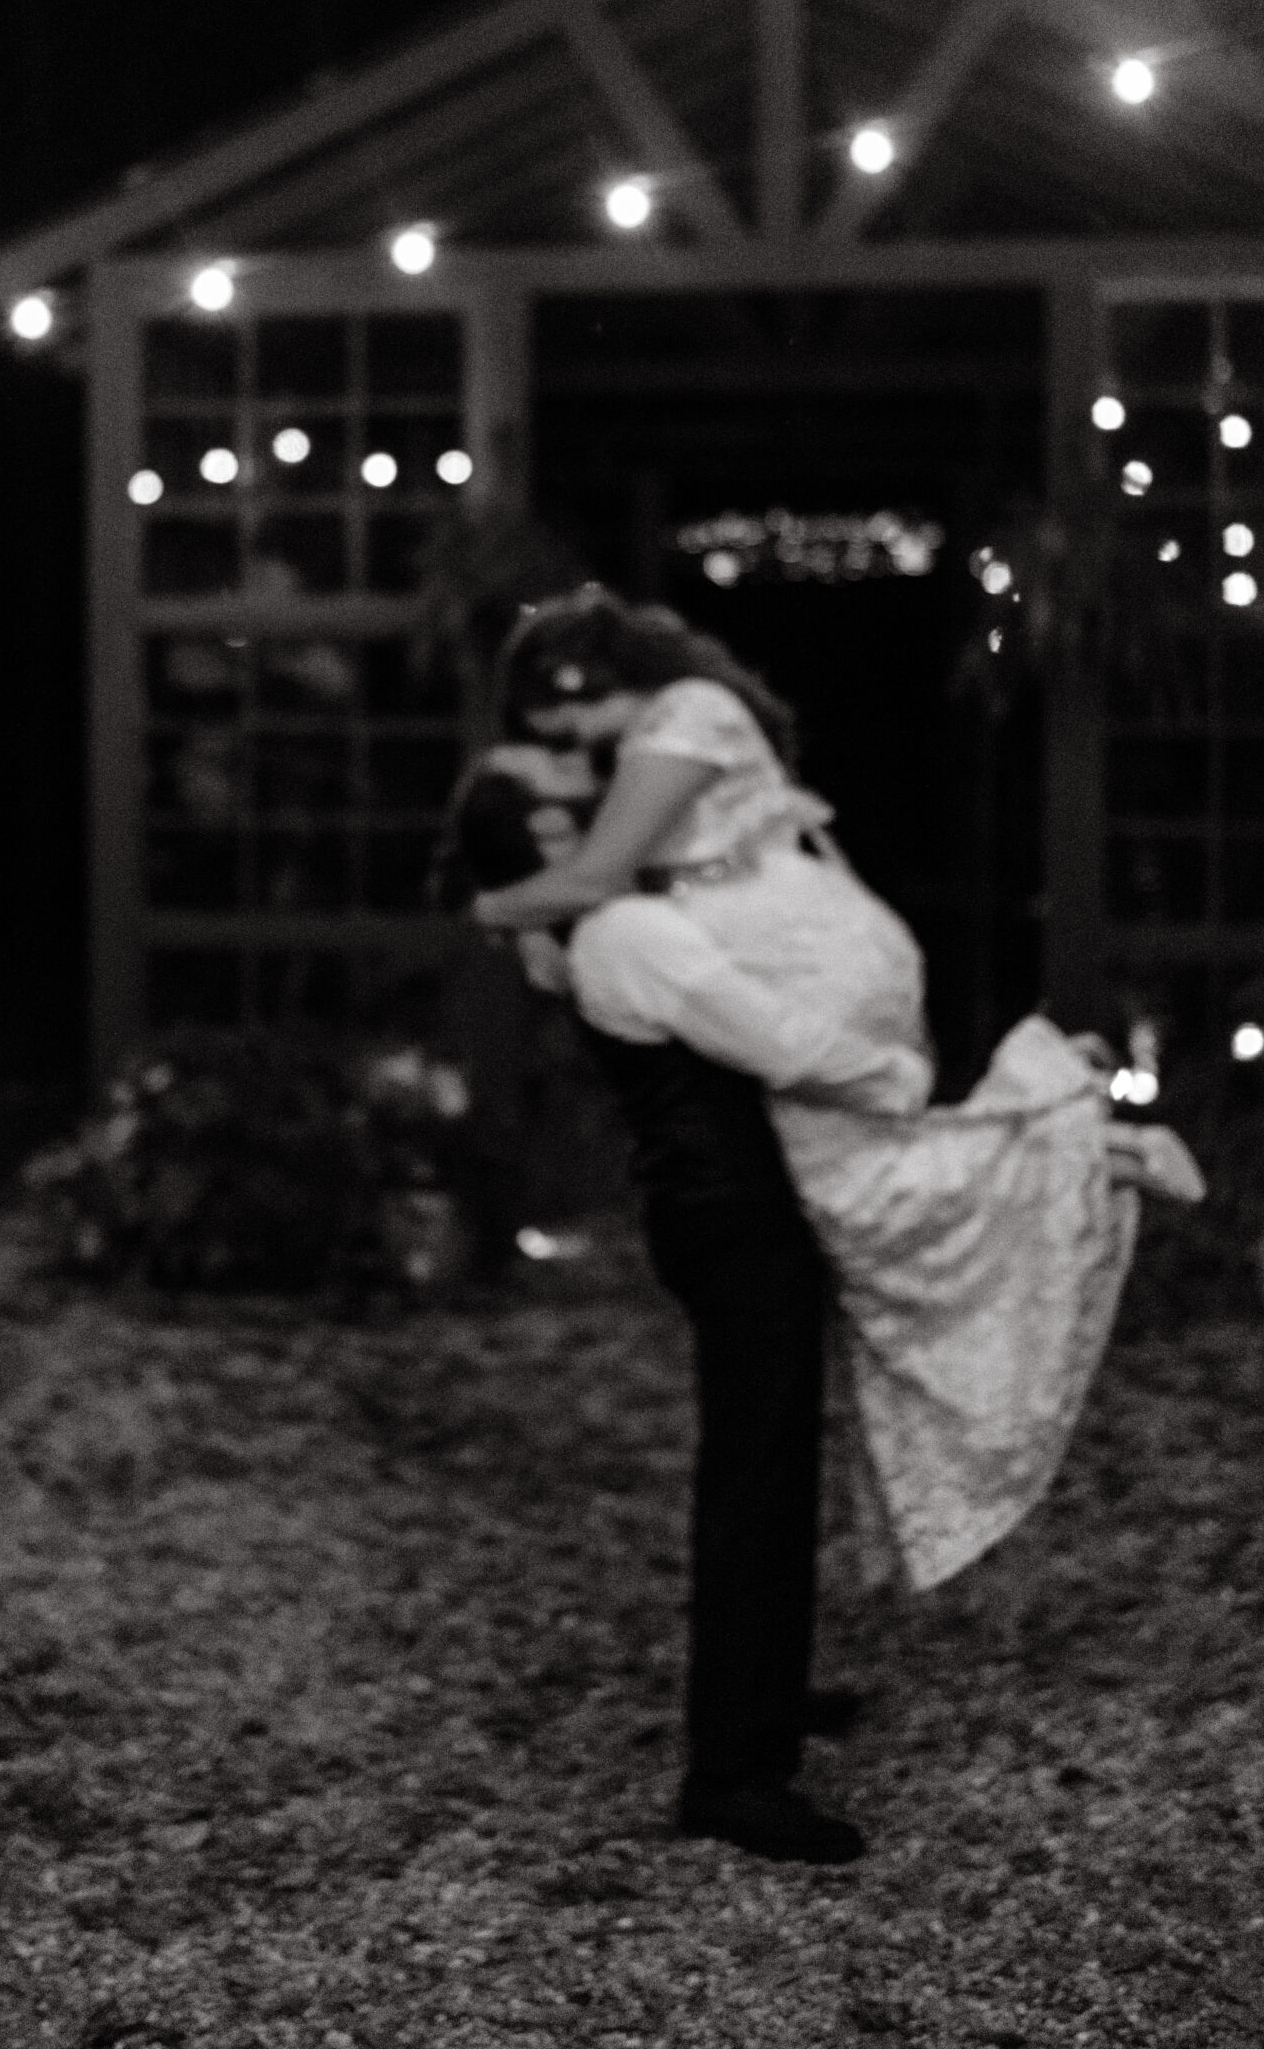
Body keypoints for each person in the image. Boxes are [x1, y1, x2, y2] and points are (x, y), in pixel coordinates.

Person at [467, 586, 1204, 1599]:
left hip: (796, 955)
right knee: (860, 1179)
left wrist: (490, 902)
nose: (578, 749)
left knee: (853, 1178)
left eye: (568, 724)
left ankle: (1078, 1137)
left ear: (579, 681)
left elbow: (596, 877)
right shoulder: (686, 725)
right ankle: (1095, 1145)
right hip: (799, 940)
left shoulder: (682, 716)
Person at [444, 748, 869, 1867]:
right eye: (559, 821)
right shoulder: (623, 934)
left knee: (769, 1469)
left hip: (722, 1210)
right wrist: (896, 1077)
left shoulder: (603, 925)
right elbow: (778, 1039)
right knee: (756, 1478)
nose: (593, 822)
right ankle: (734, 1771)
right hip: (730, 1220)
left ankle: (763, 1698)